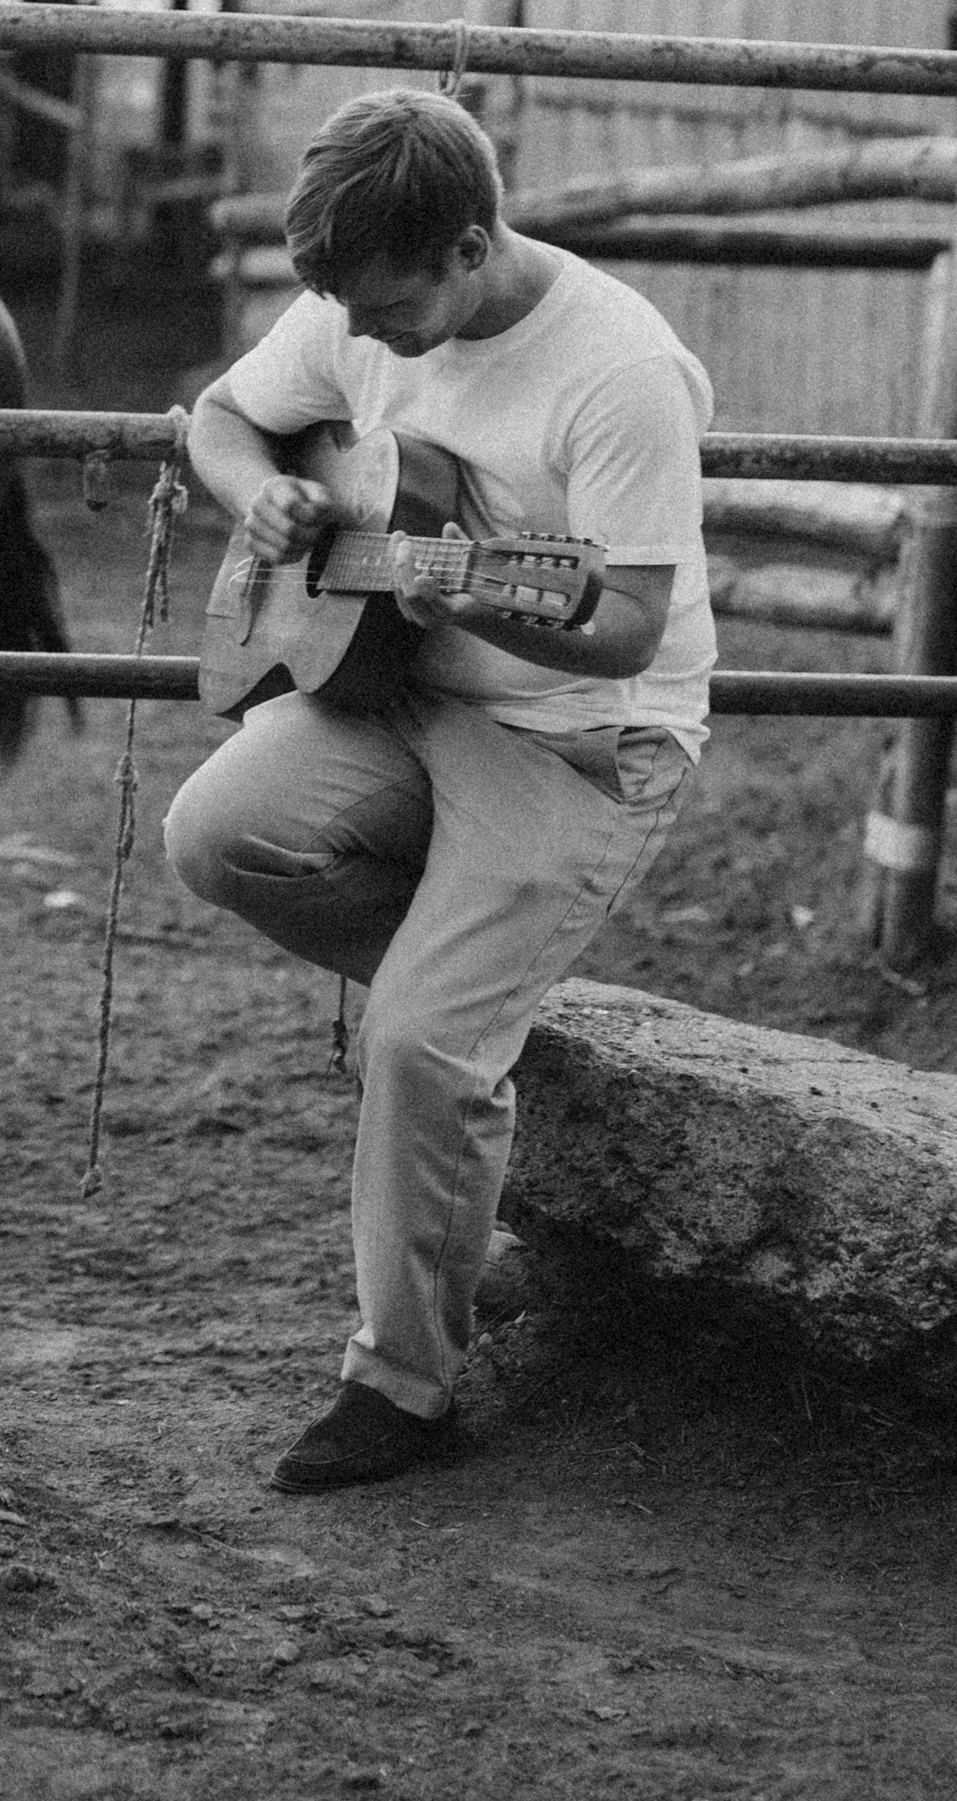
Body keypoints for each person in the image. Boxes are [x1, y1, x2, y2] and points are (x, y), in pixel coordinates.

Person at [163, 88, 713, 1494]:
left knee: (412, 1047)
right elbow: (226, 418)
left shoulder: (618, 372)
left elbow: (627, 627)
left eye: (397, 311)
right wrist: (262, 498)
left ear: (473, 244)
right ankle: (474, 1006)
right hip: (394, 691)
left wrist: (454, 586)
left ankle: (403, 1385)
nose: (371, 341)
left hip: (576, 734)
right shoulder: (359, 298)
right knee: (216, 834)